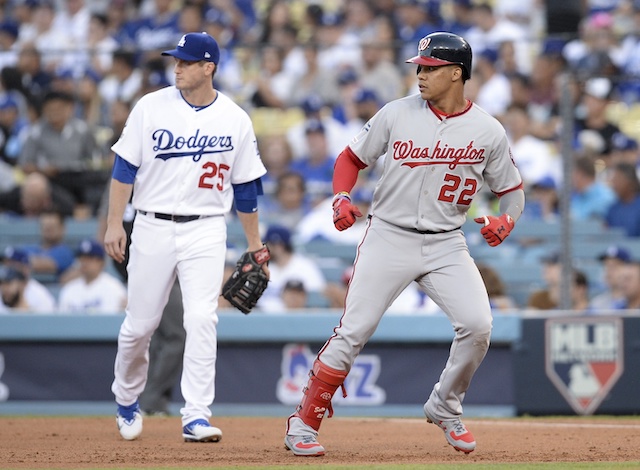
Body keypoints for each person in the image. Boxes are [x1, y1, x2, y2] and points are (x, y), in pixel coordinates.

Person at [283, 32, 524, 456]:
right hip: (388, 235)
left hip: (446, 241)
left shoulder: (487, 130)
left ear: (456, 73)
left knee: (479, 326)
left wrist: (507, 219)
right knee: (354, 330)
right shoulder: (396, 113)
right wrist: (341, 196)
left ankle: (445, 404)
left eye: (430, 68)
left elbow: (513, 190)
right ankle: (304, 422)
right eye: (419, 67)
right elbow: (349, 160)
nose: (420, 74)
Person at [103, 32, 268, 443]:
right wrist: (113, 224)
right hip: (151, 223)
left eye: (186, 62)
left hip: (206, 227)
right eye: (175, 61)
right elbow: (124, 169)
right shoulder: (150, 106)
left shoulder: (234, 118)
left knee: (201, 318)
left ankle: (195, 415)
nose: (176, 67)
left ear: (208, 67)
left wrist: (254, 246)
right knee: (139, 327)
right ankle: (126, 399)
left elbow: (246, 190)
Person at [57, 239, 127, 314]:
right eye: (82, 258)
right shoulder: (69, 289)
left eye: (90, 258)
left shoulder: (114, 287)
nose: (84, 262)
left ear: (101, 262)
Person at [0, 245, 56, 313]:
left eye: (13, 264)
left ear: (25, 268)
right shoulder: (2, 289)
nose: (8, 268)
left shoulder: (39, 294)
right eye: (6, 264)